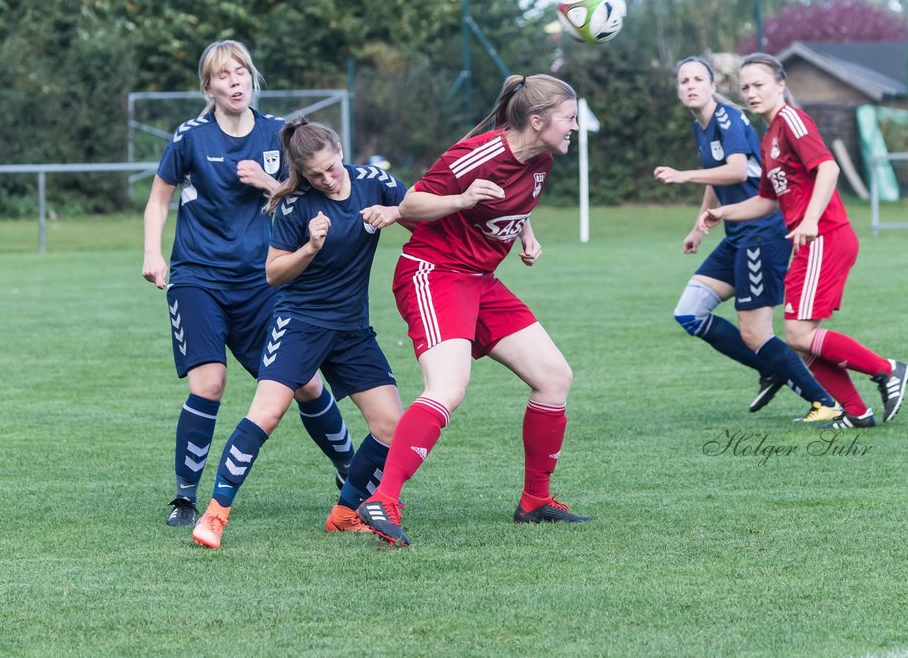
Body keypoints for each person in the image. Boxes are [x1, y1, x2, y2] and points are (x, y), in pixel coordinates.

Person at [356, 74, 592, 548]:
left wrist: (525, 234)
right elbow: (412, 203)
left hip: (480, 281)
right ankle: (383, 499)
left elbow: (516, 202)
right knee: (448, 387)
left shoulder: (542, 157)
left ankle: (534, 501)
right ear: (537, 120)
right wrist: (462, 198)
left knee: (554, 377)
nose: (575, 128)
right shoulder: (478, 154)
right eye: (569, 119)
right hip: (434, 273)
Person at [142, 40, 354, 528]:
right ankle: (184, 498)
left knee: (304, 382)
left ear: (251, 77)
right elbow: (158, 201)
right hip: (198, 278)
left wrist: (267, 182)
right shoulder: (190, 137)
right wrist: (153, 253)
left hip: (262, 284)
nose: (234, 81)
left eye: (240, 71)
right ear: (208, 86)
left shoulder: (280, 135)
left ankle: (350, 473)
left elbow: (319, 191)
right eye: (223, 75)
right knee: (210, 382)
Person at [191, 120, 409, 548]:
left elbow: (424, 214)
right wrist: (309, 248)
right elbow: (273, 274)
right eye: (315, 175)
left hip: (351, 329)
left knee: (391, 424)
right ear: (301, 174)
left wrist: (397, 212)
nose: (327, 179)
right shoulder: (295, 207)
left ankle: (346, 513)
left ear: (341, 149)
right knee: (267, 413)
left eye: (331, 168)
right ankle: (214, 516)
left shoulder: (374, 182)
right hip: (300, 323)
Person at [700, 53, 908, 428]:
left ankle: (887, 369)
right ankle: (857, 412)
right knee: (799, 336)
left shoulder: (791, 119)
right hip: (806, 241)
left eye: (759, 85)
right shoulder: (768, 140)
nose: (751, 93)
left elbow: (828, 167)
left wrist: (811, 219)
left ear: (781, 85)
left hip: (825, 236)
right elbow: (767, 201)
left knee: (798, 332)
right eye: (745, 87)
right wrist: (722, 213)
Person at [653, 56, 842, 422]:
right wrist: (698, 226)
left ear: (713, 86)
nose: (690, 86)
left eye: (697, 79)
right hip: (737, 233)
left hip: (761, 233)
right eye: (683, 81)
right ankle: (769, 366)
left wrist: (683, 176)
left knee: (756, 331)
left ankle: (825, 402)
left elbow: (737, 169)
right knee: (689, 312)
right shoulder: (701, 127)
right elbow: (717, 177)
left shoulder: (729, 118)